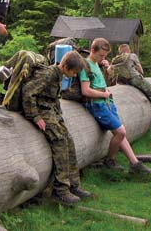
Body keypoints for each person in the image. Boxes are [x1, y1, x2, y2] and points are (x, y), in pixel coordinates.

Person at [22, 50, 92, 205]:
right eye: (73, 72)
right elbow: (28, 92)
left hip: (50, 111)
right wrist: (35, 116)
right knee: (59, 141)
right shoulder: (48, 74)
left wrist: (58, 114)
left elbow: (52, 98)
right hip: (40, 111)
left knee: (69, 140)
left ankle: (74, 184)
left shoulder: (59, 74)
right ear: (65, 66)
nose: (74, 76)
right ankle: (60, 190)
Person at [80, 38, 151, 174]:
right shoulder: (85, 66)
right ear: (92, 50)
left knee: (120, 133)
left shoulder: (97, 64)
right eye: (101, 55)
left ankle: (135, 164)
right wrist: (104, 94)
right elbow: (85, 90)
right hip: (97, 105)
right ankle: (109, 160)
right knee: (120, 132)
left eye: (105, 56)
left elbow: (100, 84)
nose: (103, 58)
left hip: (107, 102)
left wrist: (107, 88)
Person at [109, 44, 151, 116]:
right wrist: (141, 72)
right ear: (128, 50)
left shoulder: (117, 59)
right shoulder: (132, 55)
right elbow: (140, 68)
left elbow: (109, 70)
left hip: (125, 81)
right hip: (135, 78)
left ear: (120, 51)